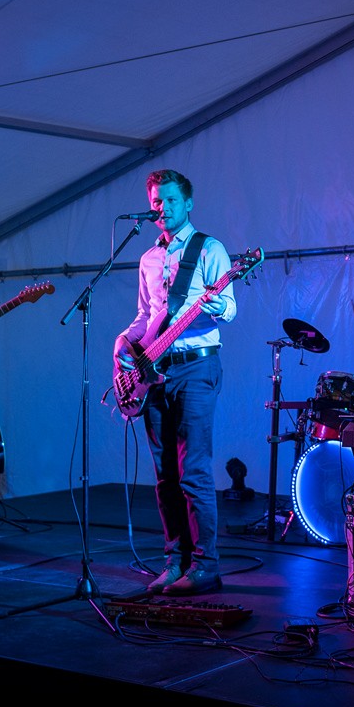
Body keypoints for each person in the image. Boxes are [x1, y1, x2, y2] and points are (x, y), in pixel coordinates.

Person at [114, 169, 237, 596]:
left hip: (196, 368)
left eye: (169, 200)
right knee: (165, 474)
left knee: (194, 471)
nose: (161, 207)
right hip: (153, 370)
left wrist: (212, 302)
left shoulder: (210, 248)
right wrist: (124, 340)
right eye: (156, 201)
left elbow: (230, 310)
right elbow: (147, 315)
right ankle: (174, 561)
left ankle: (205, 566)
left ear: (187, 203)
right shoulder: (148, 258)